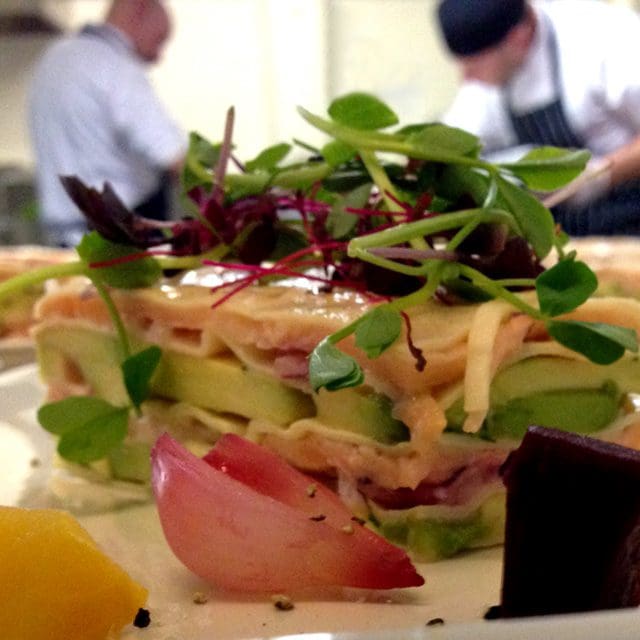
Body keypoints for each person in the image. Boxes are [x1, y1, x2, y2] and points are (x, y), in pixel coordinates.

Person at [436, 0, 640, 236]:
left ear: (519, 38)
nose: (466, 78)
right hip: (571, 235)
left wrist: (599, 176)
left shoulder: (606, 40)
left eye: (475, 66)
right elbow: (458, 137)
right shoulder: (491, 65)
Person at [28, 0, 186, 246]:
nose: (158, 56)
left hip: (66, 241)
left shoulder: (53, 58)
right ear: (139, 8)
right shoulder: (115, 66)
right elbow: (174, 156)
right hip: (123, 242)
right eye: (159, 40)